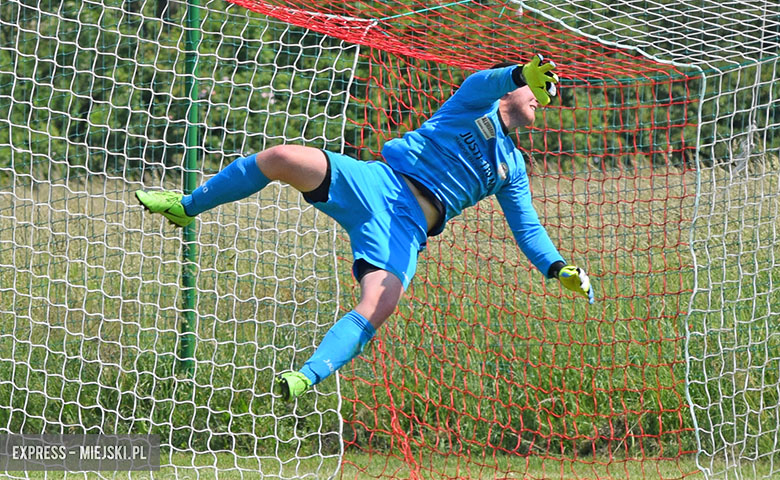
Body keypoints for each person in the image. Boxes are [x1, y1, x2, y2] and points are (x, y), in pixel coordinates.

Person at [135, 54, 595, 402]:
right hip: (376, 183)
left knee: (381, 301)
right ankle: (186, 205)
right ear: (510, 91)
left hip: (405, 230)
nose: (545, 95)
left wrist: (558, 268)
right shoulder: (474, 100)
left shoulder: (511, 167)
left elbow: (527, 228)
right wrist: (517, 73)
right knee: (282, 158)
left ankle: (305, 375)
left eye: (547, 90)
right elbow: (486, 80)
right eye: (539, 86)